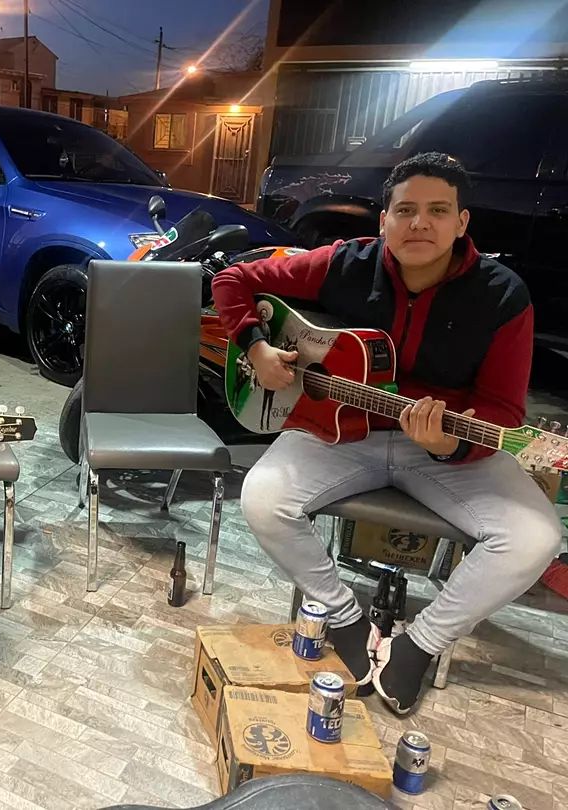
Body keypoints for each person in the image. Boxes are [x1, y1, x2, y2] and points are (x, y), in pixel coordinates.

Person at [211, 152, 562, 715]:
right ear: (383, 221)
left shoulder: (502, 295)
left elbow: (501, 410)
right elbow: (233, 277)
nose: (419, 223)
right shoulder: (344, 263)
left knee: (535, 537)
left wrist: (450, 443)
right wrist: (255, 345)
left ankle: (418, 644)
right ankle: (344, 618)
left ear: (462, 222)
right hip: (339, 431)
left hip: (445, 445)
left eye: (438, 211)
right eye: (405, 210)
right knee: (262, 498)